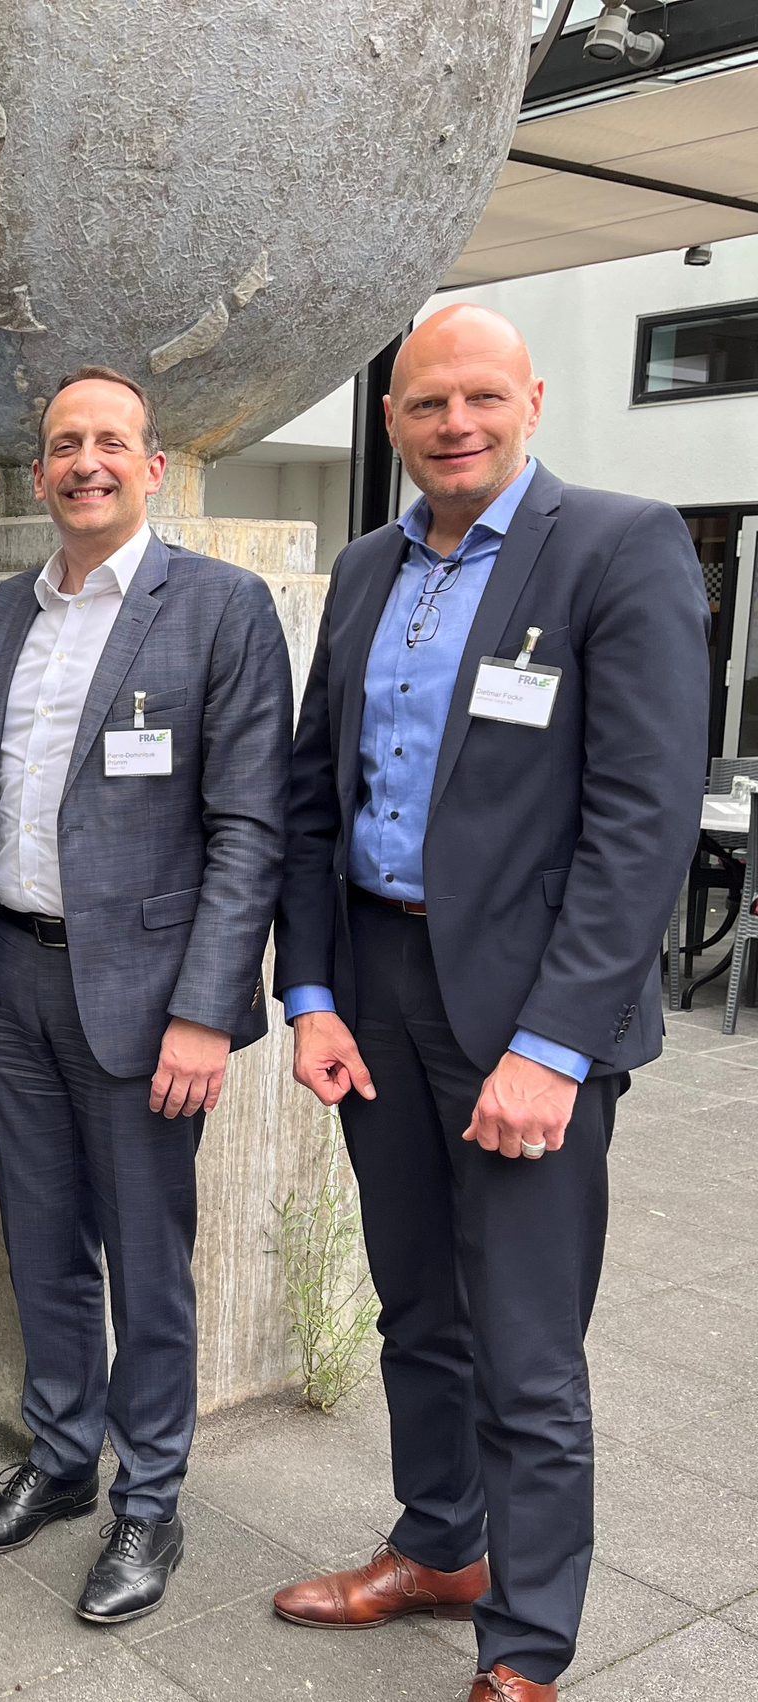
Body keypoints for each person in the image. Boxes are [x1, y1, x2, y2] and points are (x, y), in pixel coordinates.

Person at [271, 305, 708, 1702]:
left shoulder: (617, 547)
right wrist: (313, 988)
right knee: (415, 1307)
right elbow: (306, 795)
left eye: (478, 398)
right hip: (379, 991)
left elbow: (642, 822)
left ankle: (525, 1645)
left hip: (526, 1016)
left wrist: (557, 1042)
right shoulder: (363, 569)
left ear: (529, 396)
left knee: (524, 1344)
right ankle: (439, 1541)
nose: (452, 423)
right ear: (392, 419)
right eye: (422, 404)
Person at [0, 367, 292, 1624]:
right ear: (37, 474)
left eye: (109, 442)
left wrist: (203, 1009)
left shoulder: (222, 610)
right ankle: (64, 1461)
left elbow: (248, 832)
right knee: (41, 1243)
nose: (87, 463)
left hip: (145, 1000)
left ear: (153, 462)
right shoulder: (12, 611)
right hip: (11, 974)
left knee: (147, 1264)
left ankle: (150, 1501)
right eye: (65, 444)